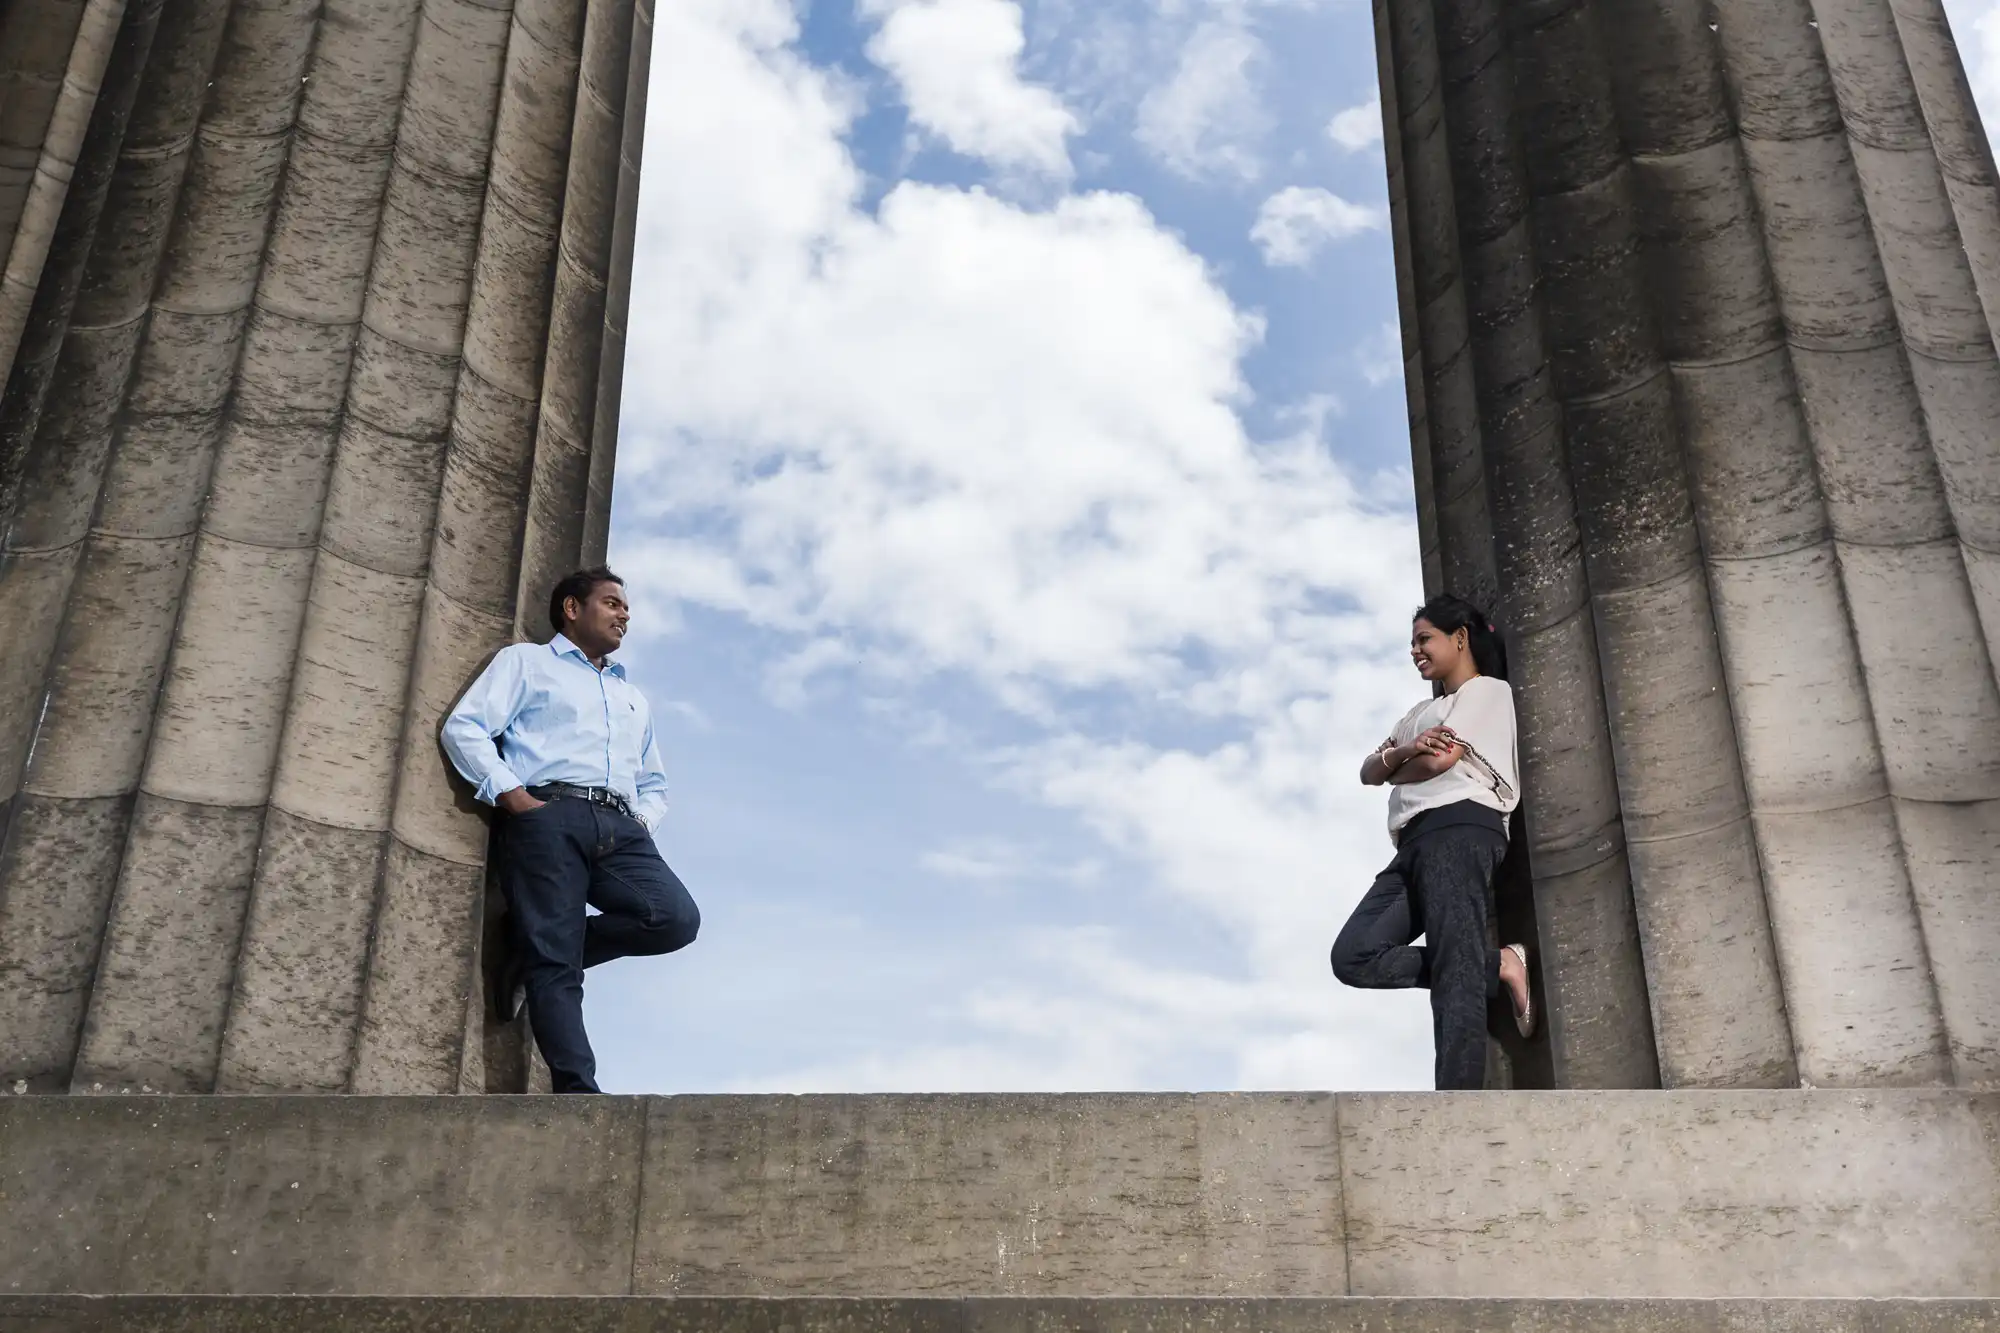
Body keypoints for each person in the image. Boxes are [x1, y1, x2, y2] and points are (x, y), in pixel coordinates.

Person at [441, 566, 700, 1093]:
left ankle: (528, 942)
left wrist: (641, 822)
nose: (624, 613)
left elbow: (654, 781)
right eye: (611, 602)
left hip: (622, 828)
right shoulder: (527, 663)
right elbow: (463, 727)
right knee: (557, 965)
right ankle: (577, 1092)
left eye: (625, 606)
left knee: (673, 920)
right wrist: (514, 796)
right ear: (572, 609)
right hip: (548, 815)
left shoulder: (633, 698)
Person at [1330, 593, 1532, 1090]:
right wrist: (1404, 752)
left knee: (1455, 980)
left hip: (1462, 827)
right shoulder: (1419, 712)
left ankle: (1458, 1101)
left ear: (1459, 638)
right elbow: (1366, 772)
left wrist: (1396, 767)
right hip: (1414, 843)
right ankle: (1497, 963)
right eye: (1412, 643)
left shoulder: (1486, 693)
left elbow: (1437, 764)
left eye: (1424, 639)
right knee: (1353, 956)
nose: (1415, 651)